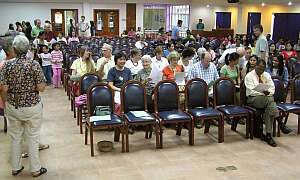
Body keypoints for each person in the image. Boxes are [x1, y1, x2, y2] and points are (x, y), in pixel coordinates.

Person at [0, 35, 47, 177]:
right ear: (27, 49)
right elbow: (41, 87)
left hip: (13, 105)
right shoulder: (34, 64)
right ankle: (35, 169)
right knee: (33, 137)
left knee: (15, 137)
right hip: (32, 105)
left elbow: (3, 88)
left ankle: (16, 167)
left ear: (14, 49)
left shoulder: (7, 65)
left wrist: (6, 103)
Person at [244, 59, 278, 147]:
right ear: (255, 67)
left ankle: (268, 135)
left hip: (266, 99)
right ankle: (280, 122)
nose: (261, 71)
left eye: (263, 69)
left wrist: (267, 93)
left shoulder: (266, 75)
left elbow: (272, 88)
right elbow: (251, 92)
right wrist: (263, 92)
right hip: (253, 99)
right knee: (270, 100)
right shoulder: (249, 76)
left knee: (270, 106)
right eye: (259, 69)